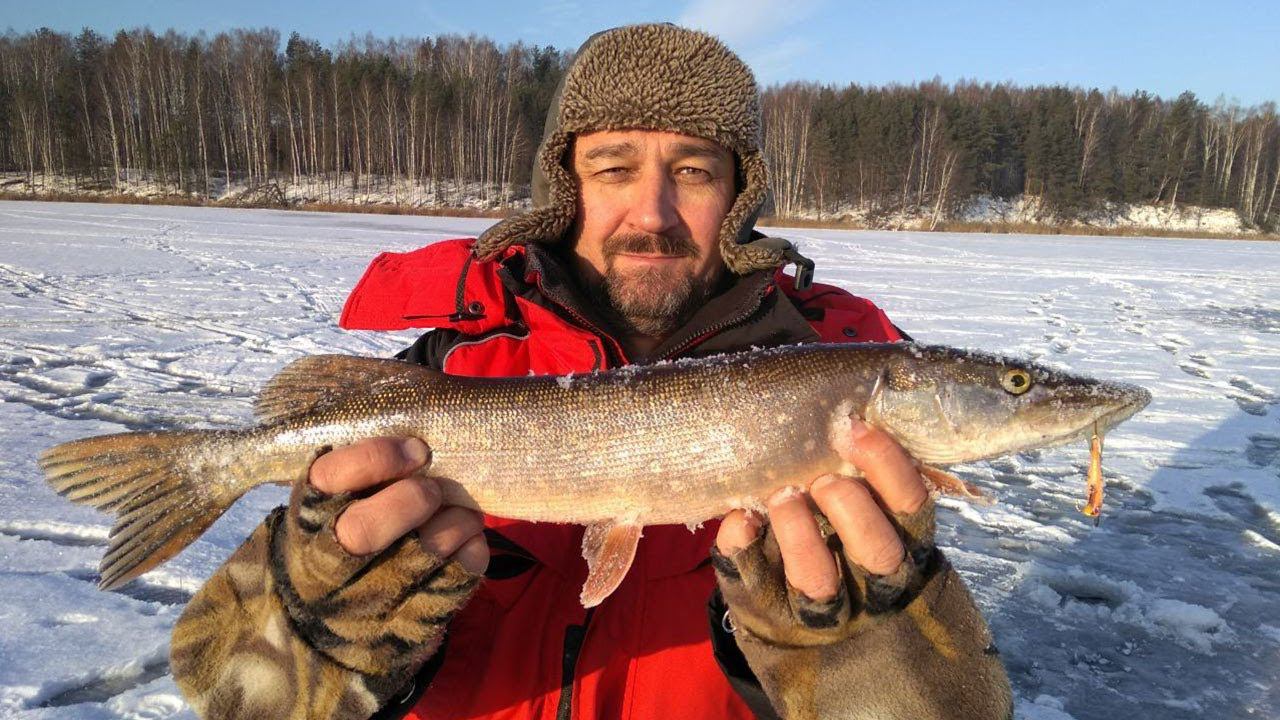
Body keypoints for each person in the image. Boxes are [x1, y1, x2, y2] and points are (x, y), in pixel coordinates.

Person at [169, 23, 1013, 720]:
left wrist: (862, 649)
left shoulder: (833, 375)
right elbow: (232, 704)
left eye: (694, 171)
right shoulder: (452, 365)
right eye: (614, 167)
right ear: (566, 186)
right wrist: (316, 622)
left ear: (739, 197)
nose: (652, 212)